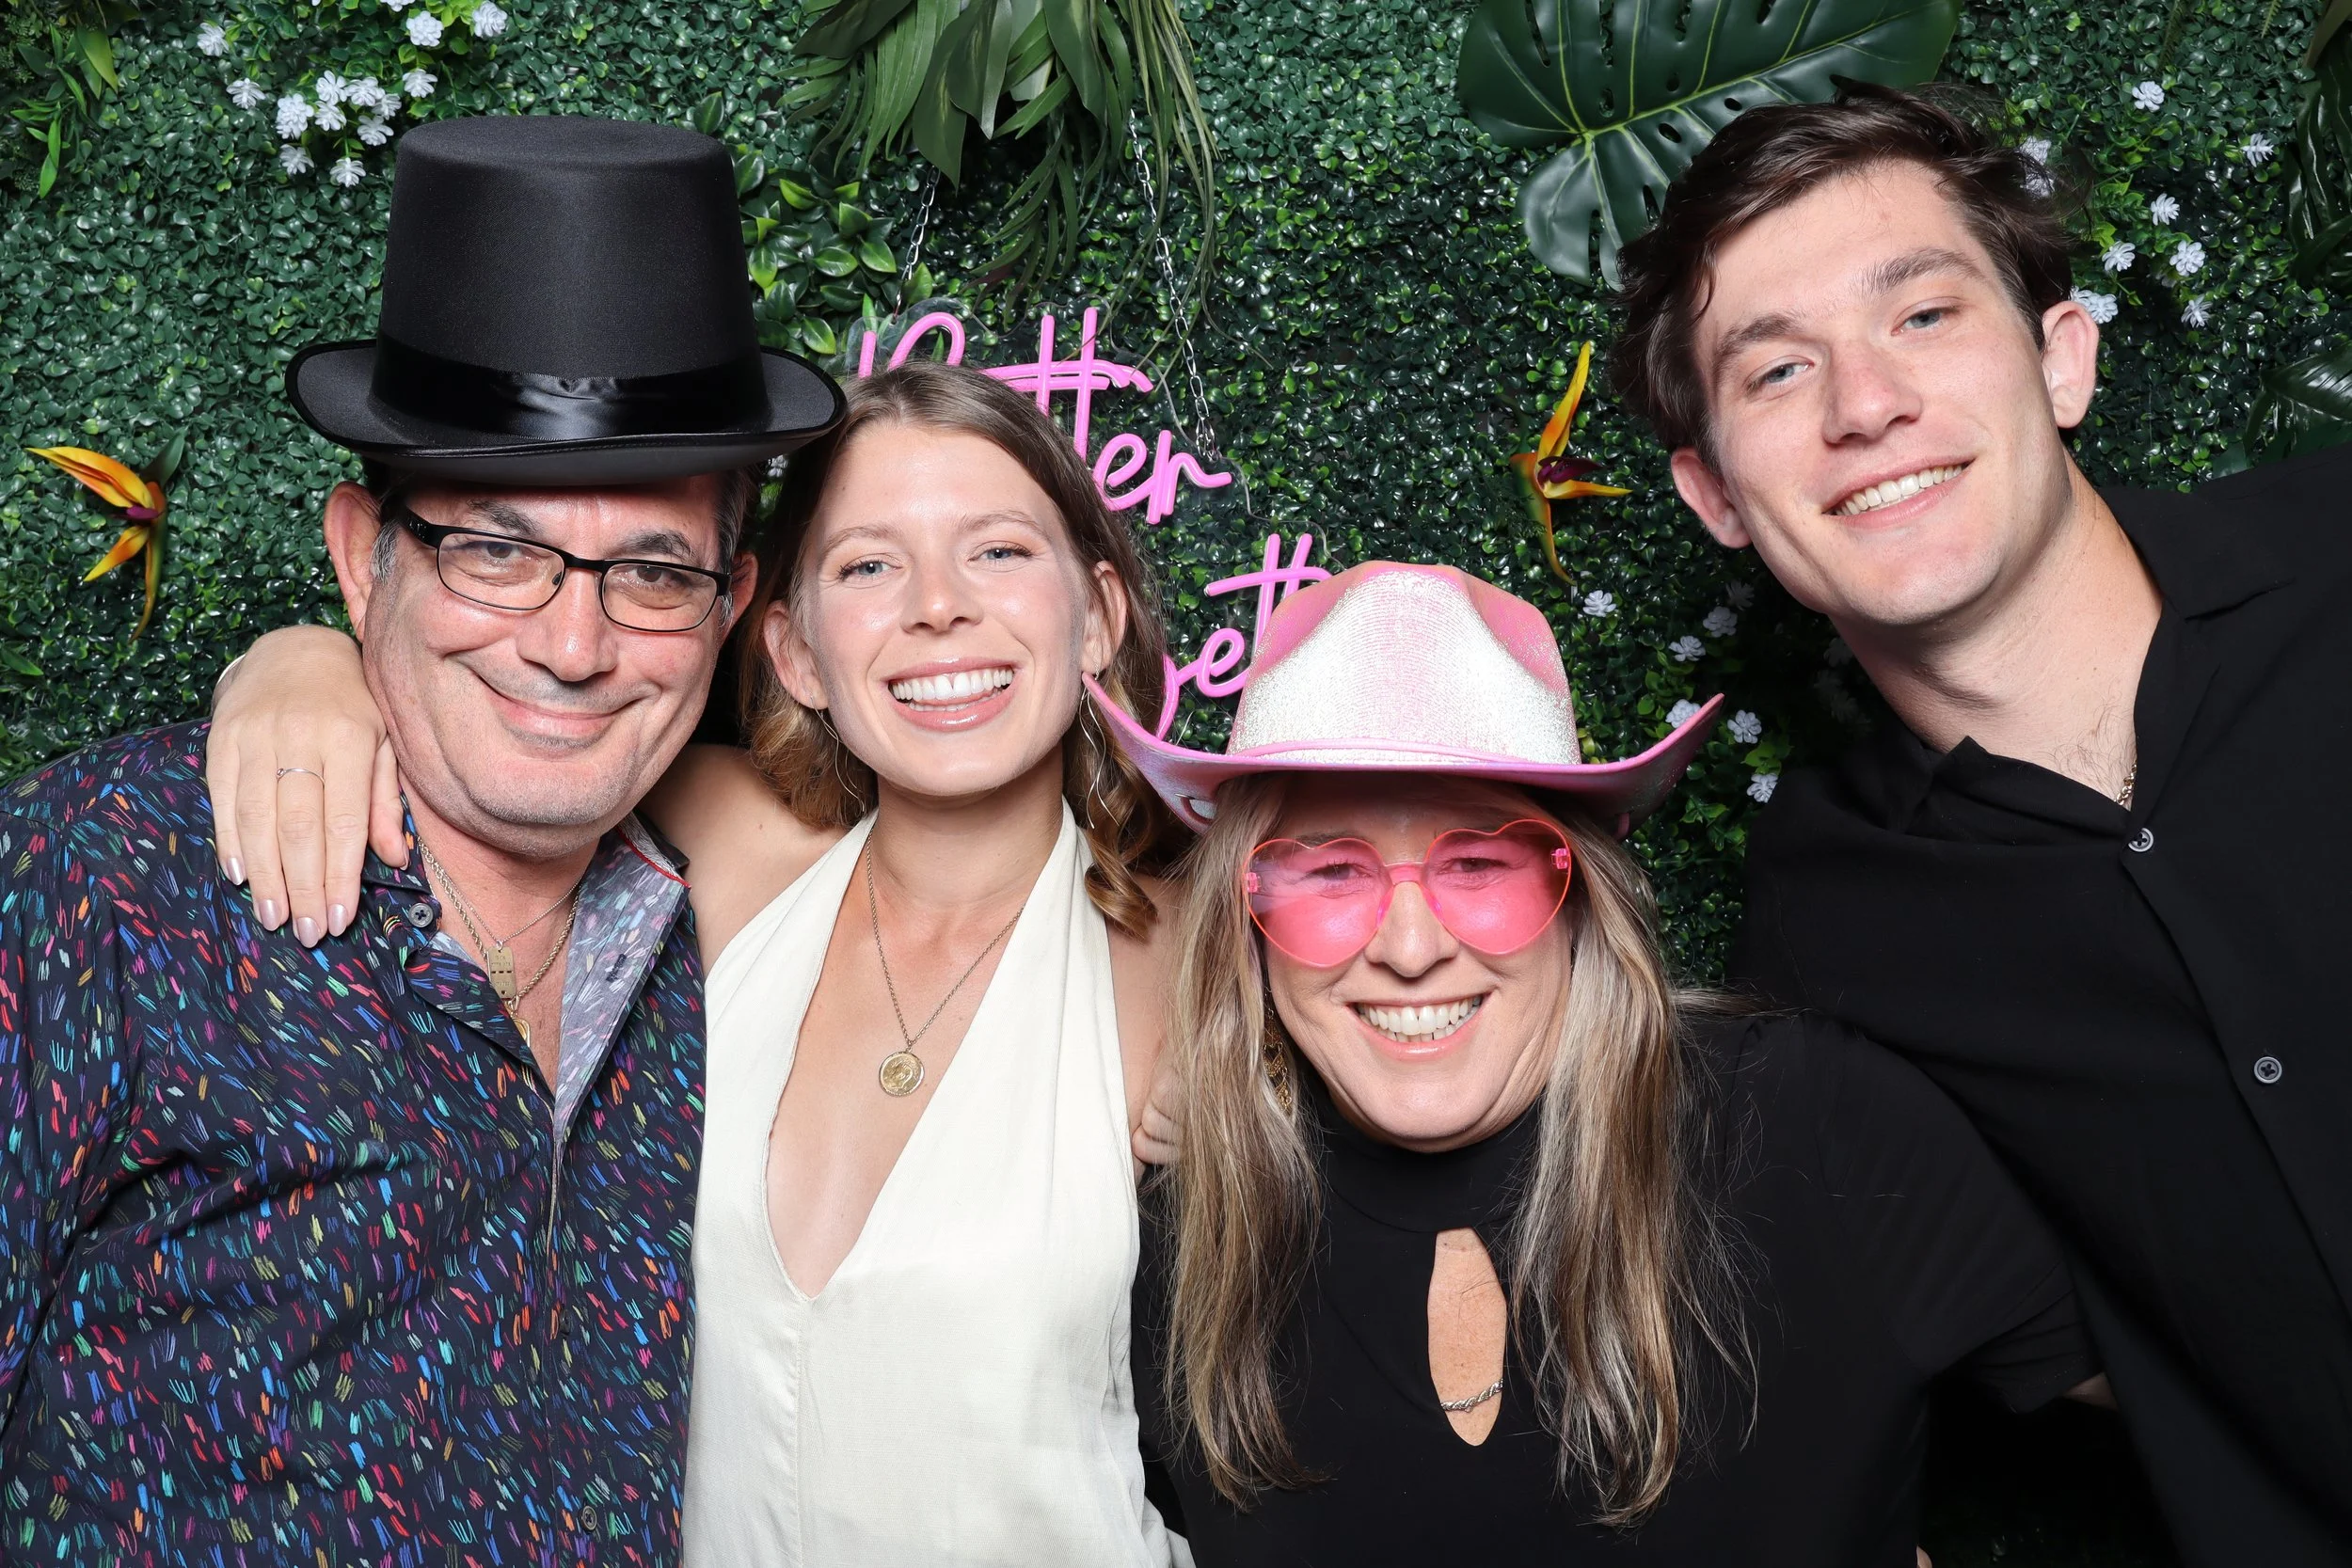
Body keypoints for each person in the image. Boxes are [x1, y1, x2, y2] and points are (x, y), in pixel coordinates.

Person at [0, 115, 844, 1563]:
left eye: (651, 571)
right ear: (355, 553)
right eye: (495, 549)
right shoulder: (103, 873)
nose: (571, 643)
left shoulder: (712, 952)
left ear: (731, 603)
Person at [207, 358, 1192, 1565]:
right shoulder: (729, 857)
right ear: (789, 647)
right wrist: (300, 661)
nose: (939, 605)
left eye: (996, 550)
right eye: (867, 563)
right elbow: (507, 707)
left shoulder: (1191, 951)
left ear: (1097, 614)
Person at [1609, 85, 2352, 1564]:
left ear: (2062, 358)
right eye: (1774, 371)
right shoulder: (1823, 932)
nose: (1864, 403)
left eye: (1924, 315)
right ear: (1719, 500)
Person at [1094, 562, 2103, 1567]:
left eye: (1479, 863)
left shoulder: (1805, 1121)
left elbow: (2219, 1402)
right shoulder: (1183, 1232)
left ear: (1583, 898)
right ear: (1248, 914)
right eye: (1328, 872)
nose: (1408, 946)